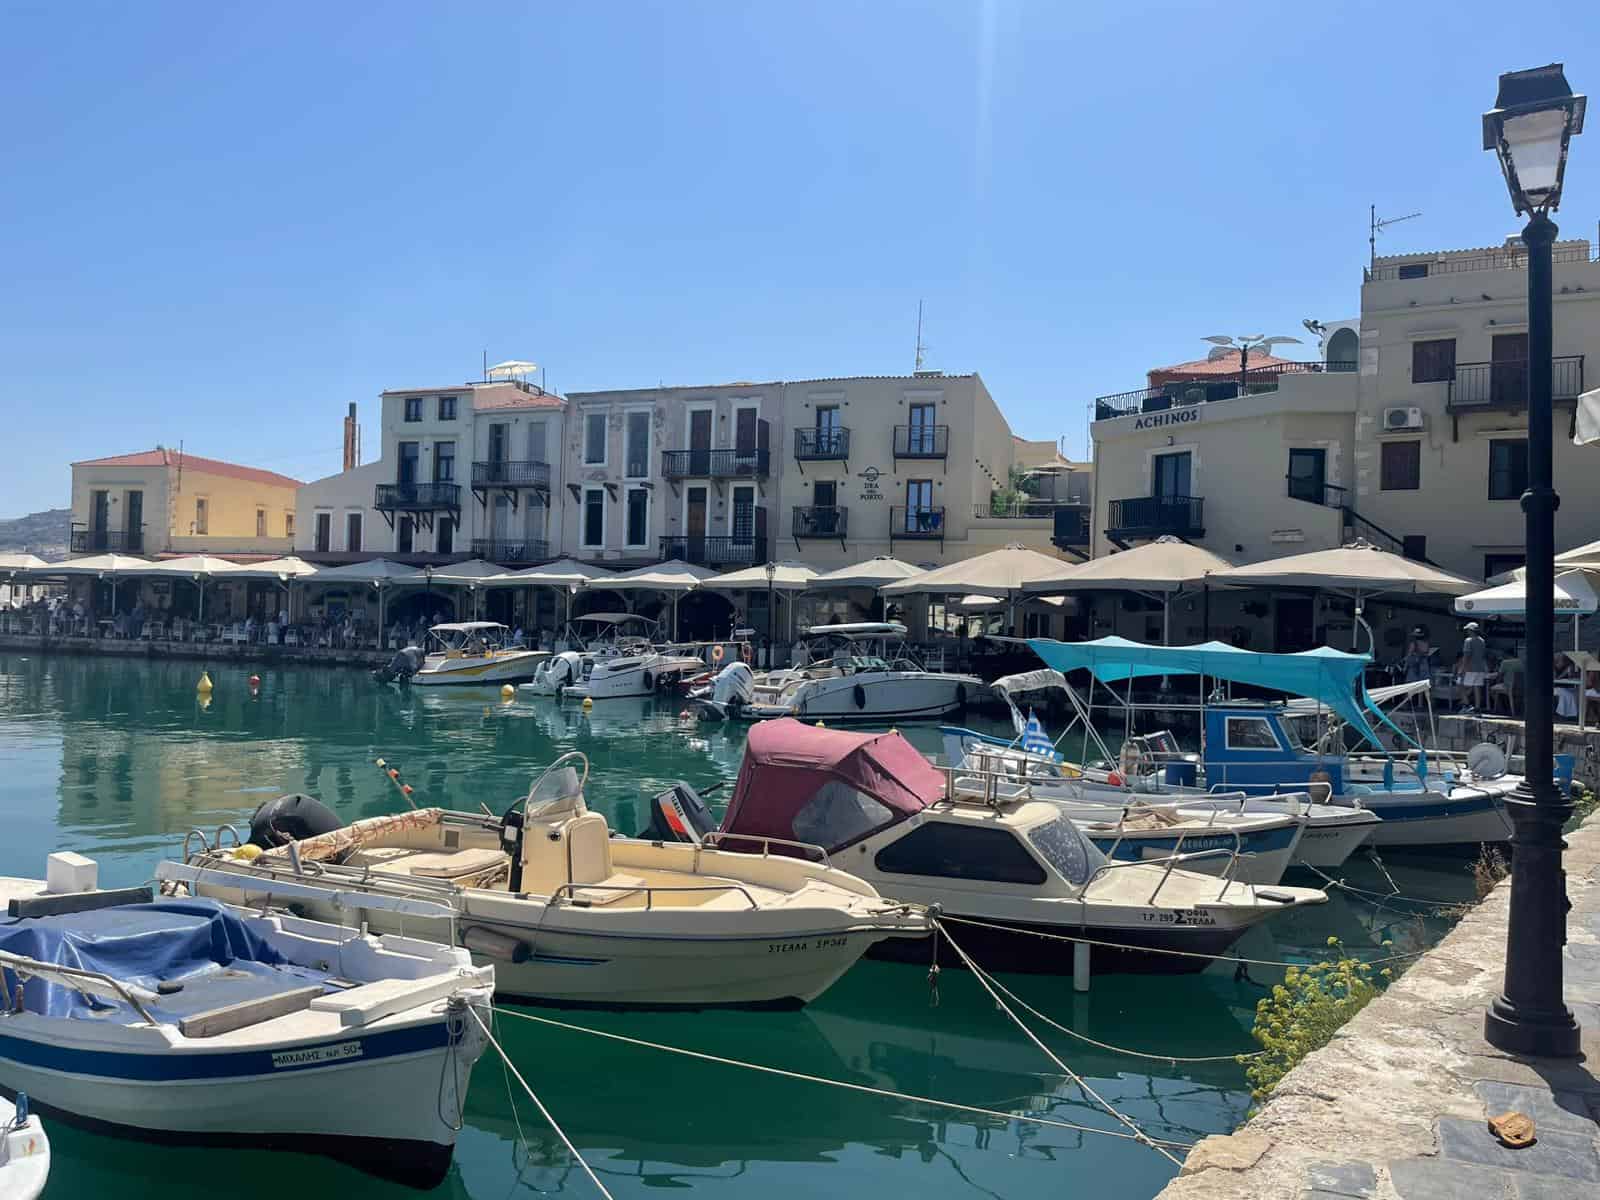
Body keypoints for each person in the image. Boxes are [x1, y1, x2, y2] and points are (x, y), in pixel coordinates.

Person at [1456, 621, 1490, 713]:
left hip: (1469, 668)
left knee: (1459, 684)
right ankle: (1477, 708)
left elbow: (1466, 656)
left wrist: (1461, 668)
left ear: (1471, 631)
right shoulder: (1482, 641)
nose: (1467, 632)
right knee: (1477, 687)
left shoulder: (1468, 640)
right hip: (1480, 667)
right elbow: (1483, 655)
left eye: (1467, 630)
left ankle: (1466, 705)